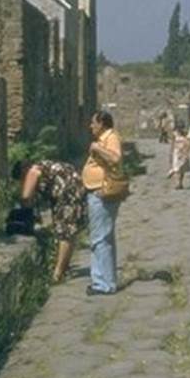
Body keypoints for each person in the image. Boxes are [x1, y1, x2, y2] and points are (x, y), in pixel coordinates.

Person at [12, 158, 87, 283]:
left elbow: (26, 196)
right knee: (69, 233)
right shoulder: (42, 166)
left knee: (64, 233)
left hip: (67, 194)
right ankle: (64, 267)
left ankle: (57, 274)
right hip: (73, 190)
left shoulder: (32, 171)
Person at [82, 110, 124, 296]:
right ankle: (106, 279)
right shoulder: (104, 138)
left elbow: (115, 158)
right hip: (97, 190)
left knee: (99, 238)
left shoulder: (110, 137)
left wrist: (97, 149)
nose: (91, 126)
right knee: (103, 237)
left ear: (102, 124)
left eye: (94, 123)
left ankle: (103, 283)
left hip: (102, 191)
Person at [168, 121, 190, 188]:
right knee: (177, 169)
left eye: (181, 127)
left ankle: (180, 183)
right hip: (176, 152)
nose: (180, 129)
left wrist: (187, 152)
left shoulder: (185, 134)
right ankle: (177, 183)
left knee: (182, 169)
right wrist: (171, 152)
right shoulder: (174, 134)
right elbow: (172, 144)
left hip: (183, 153)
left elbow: (188, 143)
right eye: (179, 127)